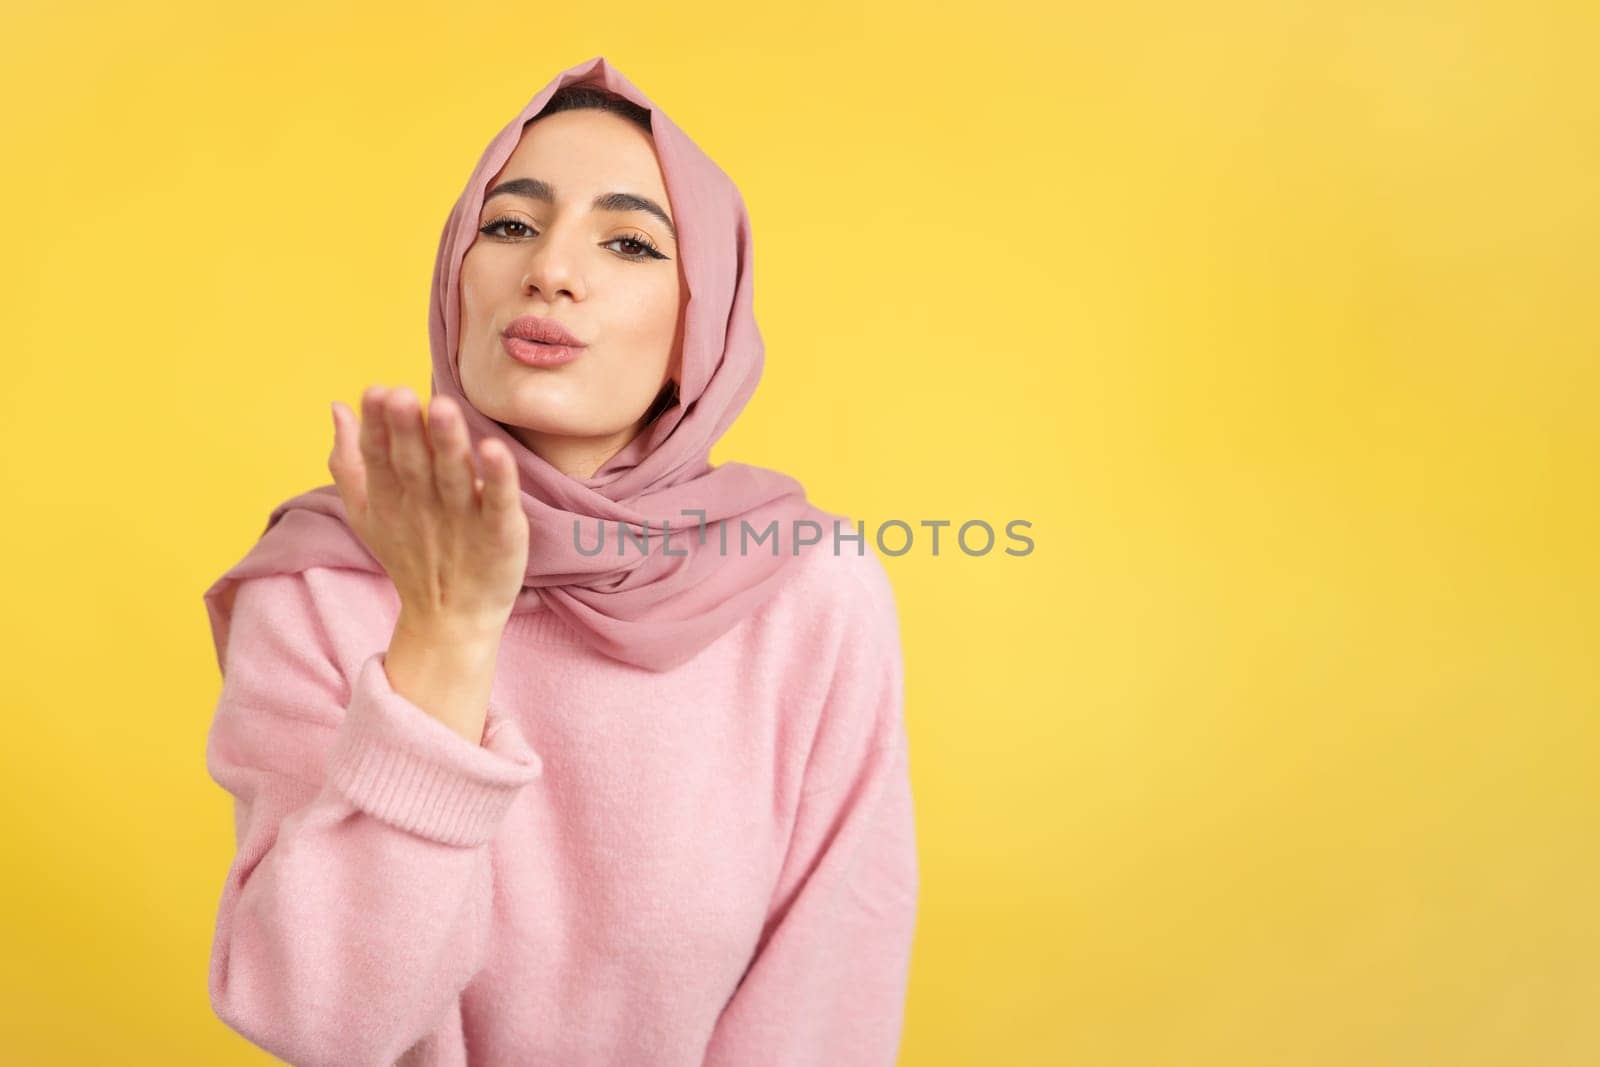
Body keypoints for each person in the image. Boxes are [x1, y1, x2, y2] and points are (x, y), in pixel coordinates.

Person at [200, 55, 918, 1067]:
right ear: (458, 273)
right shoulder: (320, 586)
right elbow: (325, 1018)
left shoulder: (806, 588)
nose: (550, 269)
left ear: (699, 324)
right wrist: (443, 634)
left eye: (627, 241)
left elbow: (826, 993)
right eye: (509, 225)